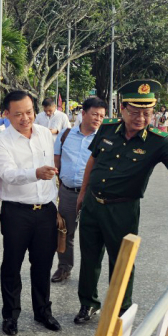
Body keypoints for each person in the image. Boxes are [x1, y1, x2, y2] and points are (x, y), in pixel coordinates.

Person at [74, 80, 168, 324]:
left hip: (122, 209)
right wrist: (82, 193)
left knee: (122, 261)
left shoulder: (158, 141)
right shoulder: (108, 128)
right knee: (89, 258)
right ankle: (88, 304)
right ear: (122, 109)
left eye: (147, 113)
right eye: (135, 112)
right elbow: (93, 160)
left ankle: (120, 311)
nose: (141, 118)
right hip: (92, 205)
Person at [0, 91, 61, 336]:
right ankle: (10, 315)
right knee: (12, 264)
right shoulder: (0, 142)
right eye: (18, 114)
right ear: (6, 114)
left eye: (29, 112)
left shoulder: (43, 133)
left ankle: (43, 311)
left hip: (46, 211)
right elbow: (7, 174)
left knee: (42, 264)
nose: (25, 118)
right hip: (17, 212)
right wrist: (35, 173)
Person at [52, 96, 107, 283]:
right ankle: (64, 267)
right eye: (95, 114)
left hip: (92, 195)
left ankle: (88, 274)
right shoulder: (65, 135)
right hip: (67, 192)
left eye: (101, 116)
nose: (98, 119)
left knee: (91, 235)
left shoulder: (104, 138)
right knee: (65, 231)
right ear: (83, 113)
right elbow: (56, 160)